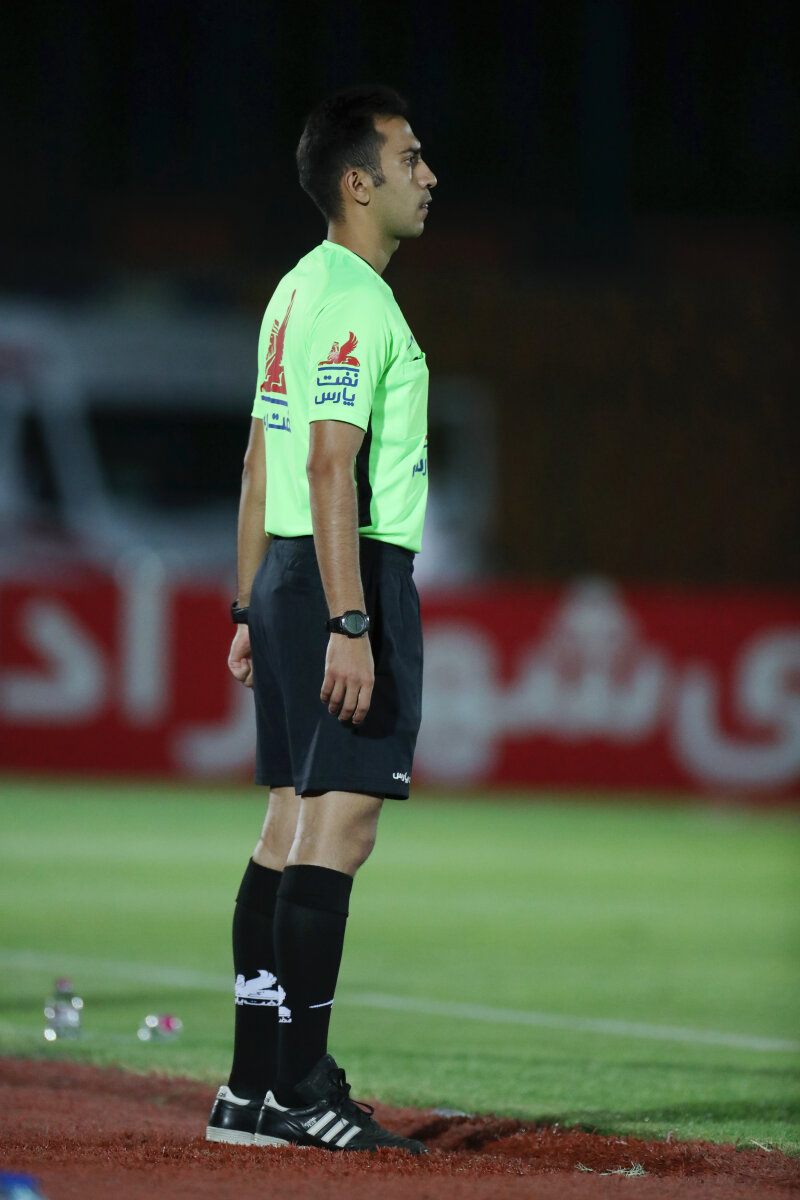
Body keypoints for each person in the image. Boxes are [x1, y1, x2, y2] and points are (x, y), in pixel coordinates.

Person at [206, 85, 437, 1155]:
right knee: (339, 829)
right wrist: (351, 621)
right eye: (409, 158)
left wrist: (249, 603)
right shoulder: (355, 299)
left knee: (290, 826)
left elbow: (259, 462)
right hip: (349, 577)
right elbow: (326, 466)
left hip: (288, 578)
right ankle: (302, 1089)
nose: (427, 176)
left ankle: (252, 1088)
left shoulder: (294, 290)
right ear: (358, 182)